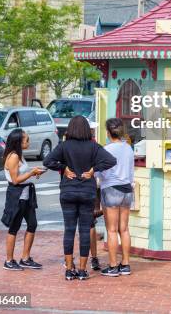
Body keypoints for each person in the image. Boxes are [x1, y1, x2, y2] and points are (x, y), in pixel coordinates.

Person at [43, 115, 116, 281]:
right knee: (84, 230)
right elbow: (111, 160)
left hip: (68, 191)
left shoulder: (64, 146)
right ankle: (83, 270)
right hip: (87, 192)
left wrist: (63, 167)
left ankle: (69, 269)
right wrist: (93, 170)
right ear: (86, 129)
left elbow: (48, 161)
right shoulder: (93, 146)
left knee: (69, 230)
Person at [1, 129, 45, 270]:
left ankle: (25, 258)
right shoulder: (13, 157)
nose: (28, 142)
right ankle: (9, 260)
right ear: (18, 142)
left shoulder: (20, 156)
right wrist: (31, 173)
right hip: (17, 196)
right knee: (14, 227)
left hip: (26, 195)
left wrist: (33, 171)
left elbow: (21, 174)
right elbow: (15, 180)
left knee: (32, 224)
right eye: (26, 140)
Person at [98, 118, 134, 277]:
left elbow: (100, 173)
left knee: (111, 230)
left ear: (108, 132)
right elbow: (131, 172)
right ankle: (125, 264)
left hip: (111, 188)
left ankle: (112, 266)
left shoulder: (106, 149)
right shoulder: (128, 149)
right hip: (127, 189)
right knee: (124, 229)